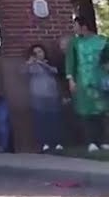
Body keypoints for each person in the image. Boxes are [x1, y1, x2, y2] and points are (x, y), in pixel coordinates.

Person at [67, 17, 108, 151]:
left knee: (102, 110)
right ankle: (91, 141)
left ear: (84, 26)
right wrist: (71, 80)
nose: (74, 28)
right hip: (83, 81)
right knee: (86, 112)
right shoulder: (74, 43)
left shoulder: (103, 41)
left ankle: (103, 140)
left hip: (100, 80)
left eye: (76, 25)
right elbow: (71, 62)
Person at [25, 44, 65, 152]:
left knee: (54, 119)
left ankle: (57, 142)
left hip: (52, 96)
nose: (38, 54)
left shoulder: (49, 63)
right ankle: (45, 143)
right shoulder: (31, 65)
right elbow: (22, 72)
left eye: (40, 52)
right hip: (38, 97)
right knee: (41, 120)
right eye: (35, 53)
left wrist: (43, 64)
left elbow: (55, 71)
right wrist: (30, 63)